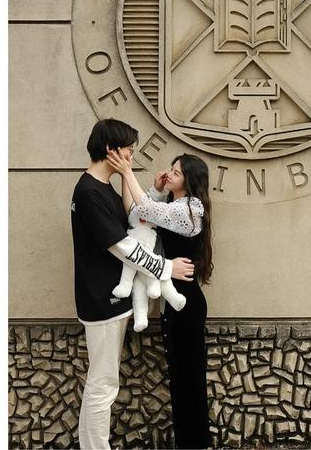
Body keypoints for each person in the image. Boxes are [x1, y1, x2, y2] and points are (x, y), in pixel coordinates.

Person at [71, 118, 195, 450]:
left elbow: (134, 215)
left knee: (103, 382)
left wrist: (137, 181)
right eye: (129, 150)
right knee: (103, 384)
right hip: (103, 301)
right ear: (112, 150)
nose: (131, 155)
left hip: (110, 299)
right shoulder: (88, 193)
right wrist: (166, 267)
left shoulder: (101, 187)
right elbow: (124, 248)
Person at [106, 148, 213, 450]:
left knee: (190, 382)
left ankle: (196, 445)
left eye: (177, 172)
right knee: (180, 381)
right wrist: (150, 185)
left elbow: (150, 211)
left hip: (188, 306)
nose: (171, 173)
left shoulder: (191, 209)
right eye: (172, 168)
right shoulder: (173, 203)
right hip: (174, 305)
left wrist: (128, 173)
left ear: (190, 181)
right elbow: (136, 213)